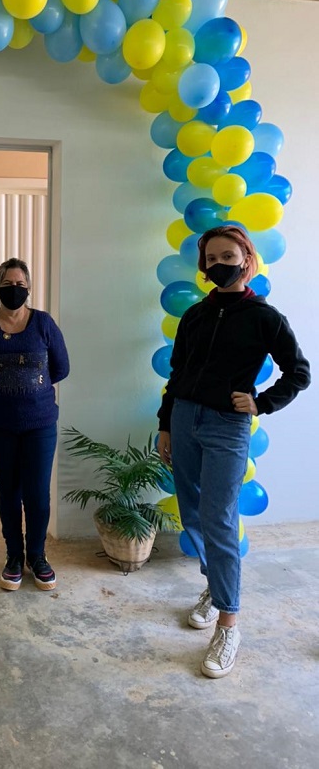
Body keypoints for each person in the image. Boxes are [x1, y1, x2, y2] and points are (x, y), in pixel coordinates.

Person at [157, 225, 310, 679]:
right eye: (212, 257)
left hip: (227, 426)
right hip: (184, 419)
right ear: (204, 266)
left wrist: (261, 402)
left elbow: (298, 372)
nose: (220, 263)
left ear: (246, 259)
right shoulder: (195, 317)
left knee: (220, 519)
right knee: (193, 514)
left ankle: (228, 623)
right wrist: (166, 425)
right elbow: (178, 372)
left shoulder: (265, 317)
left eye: (229, 254)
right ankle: (214, 586)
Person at [0, 258, 69, 592]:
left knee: (37, 495)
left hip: (40, 423)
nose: (14, 290)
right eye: (8, 284)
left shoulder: (44, 324)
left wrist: (29, 386)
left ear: (29, 289)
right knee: (9, 492)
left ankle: (37, 555)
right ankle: (14, 557)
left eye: (20, 285)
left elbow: (61, 368)